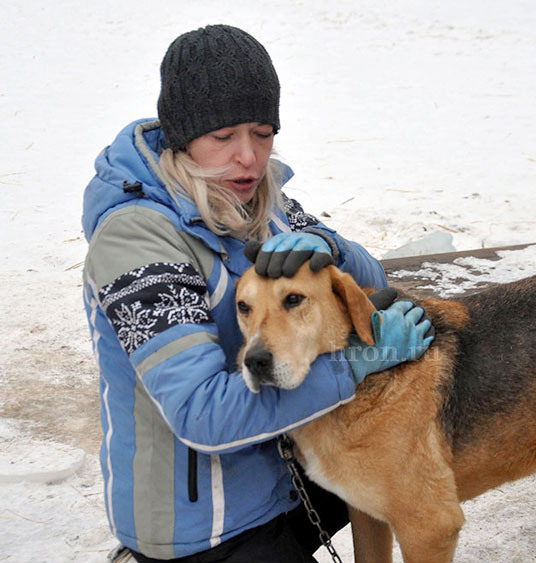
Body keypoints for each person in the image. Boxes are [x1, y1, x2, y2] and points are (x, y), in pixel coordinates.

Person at [82, 24, 433, 563]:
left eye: (262, 132)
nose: (249, 157)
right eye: (223, 137)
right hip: (204, 526)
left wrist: (323, 245)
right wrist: (352, 367)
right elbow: (200, 414)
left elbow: (371, 284)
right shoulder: (136, 242)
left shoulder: (261, 202)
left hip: (285, 471)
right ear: (183, 137)